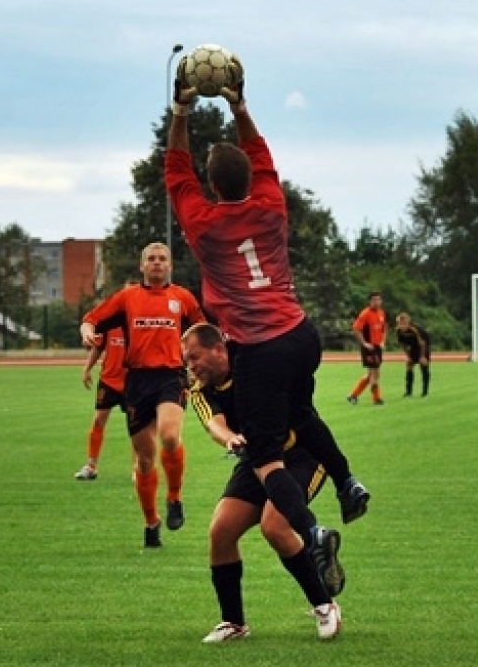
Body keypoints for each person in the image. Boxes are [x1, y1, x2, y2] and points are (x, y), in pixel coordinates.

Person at [165, 67, 355, 594]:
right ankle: (346, 480)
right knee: (303, 413)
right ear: (252, 177)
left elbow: (176, 171)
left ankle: (314, 533)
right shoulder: (272, 205)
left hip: (261, 347)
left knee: (265, 455)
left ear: (212, 184)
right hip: (302, 335)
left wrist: (181, 111)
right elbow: (264, 156)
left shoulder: (203, 222)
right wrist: (240, 107)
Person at [184, 323, 341, 641]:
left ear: (218, 350)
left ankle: (325, 605)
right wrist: (229, 438)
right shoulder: (200, 388)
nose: (191, 366)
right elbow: (213, 422)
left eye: (194, 357)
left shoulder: (254, 367)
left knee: (275, 526)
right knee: (221, 532)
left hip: (301, 456)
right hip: (257, 459)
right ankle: (234, 623)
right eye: (186, 360)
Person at [80, 243, 204, 547]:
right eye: (151, 259)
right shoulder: (127, 298)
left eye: (163, 259)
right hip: (136, 381)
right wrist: (86, 330)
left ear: (170, 265)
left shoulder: (182, 298)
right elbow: (92, 318)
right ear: (142, 266)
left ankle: (174, 498)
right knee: (145, 460)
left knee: (170, 436)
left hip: (171, 377)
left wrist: (203, 356)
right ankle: (151, 521)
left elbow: (203, 329)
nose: (157, 263)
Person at [74, 281, 138, 481]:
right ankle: (91, 466)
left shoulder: (141, 322)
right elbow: (98, 347)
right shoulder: (112, 319)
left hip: (134, 382)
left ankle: (137, 469)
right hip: (109, 380)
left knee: (136, 427)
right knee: (98, 420)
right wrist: (87, 368)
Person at [347, 291, 387, 405]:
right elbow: (356, 328)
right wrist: (364, 343)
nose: (377, 302)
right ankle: (377, 399)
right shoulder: (365, 313)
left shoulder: (381, 313)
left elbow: (383, 328)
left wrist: (383, 341)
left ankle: (353, 395)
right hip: (369, 347)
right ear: (370, 301)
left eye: (379, 300)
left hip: (377, 347)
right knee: (375, 373)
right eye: (374, 300)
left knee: (372, 374)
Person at [395, 312, 431, 397]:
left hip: (423, 346)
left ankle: (425, 392)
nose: (402, 326)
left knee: (423, 364)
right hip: (413, 347)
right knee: (409, 365)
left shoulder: (415, 329)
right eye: (400, 324)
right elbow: (403, 345)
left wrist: (422, 356)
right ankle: (408, 392)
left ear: (408, 323)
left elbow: (422, 343)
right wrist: (408, 356)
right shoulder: (398, 330)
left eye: (404, 324)